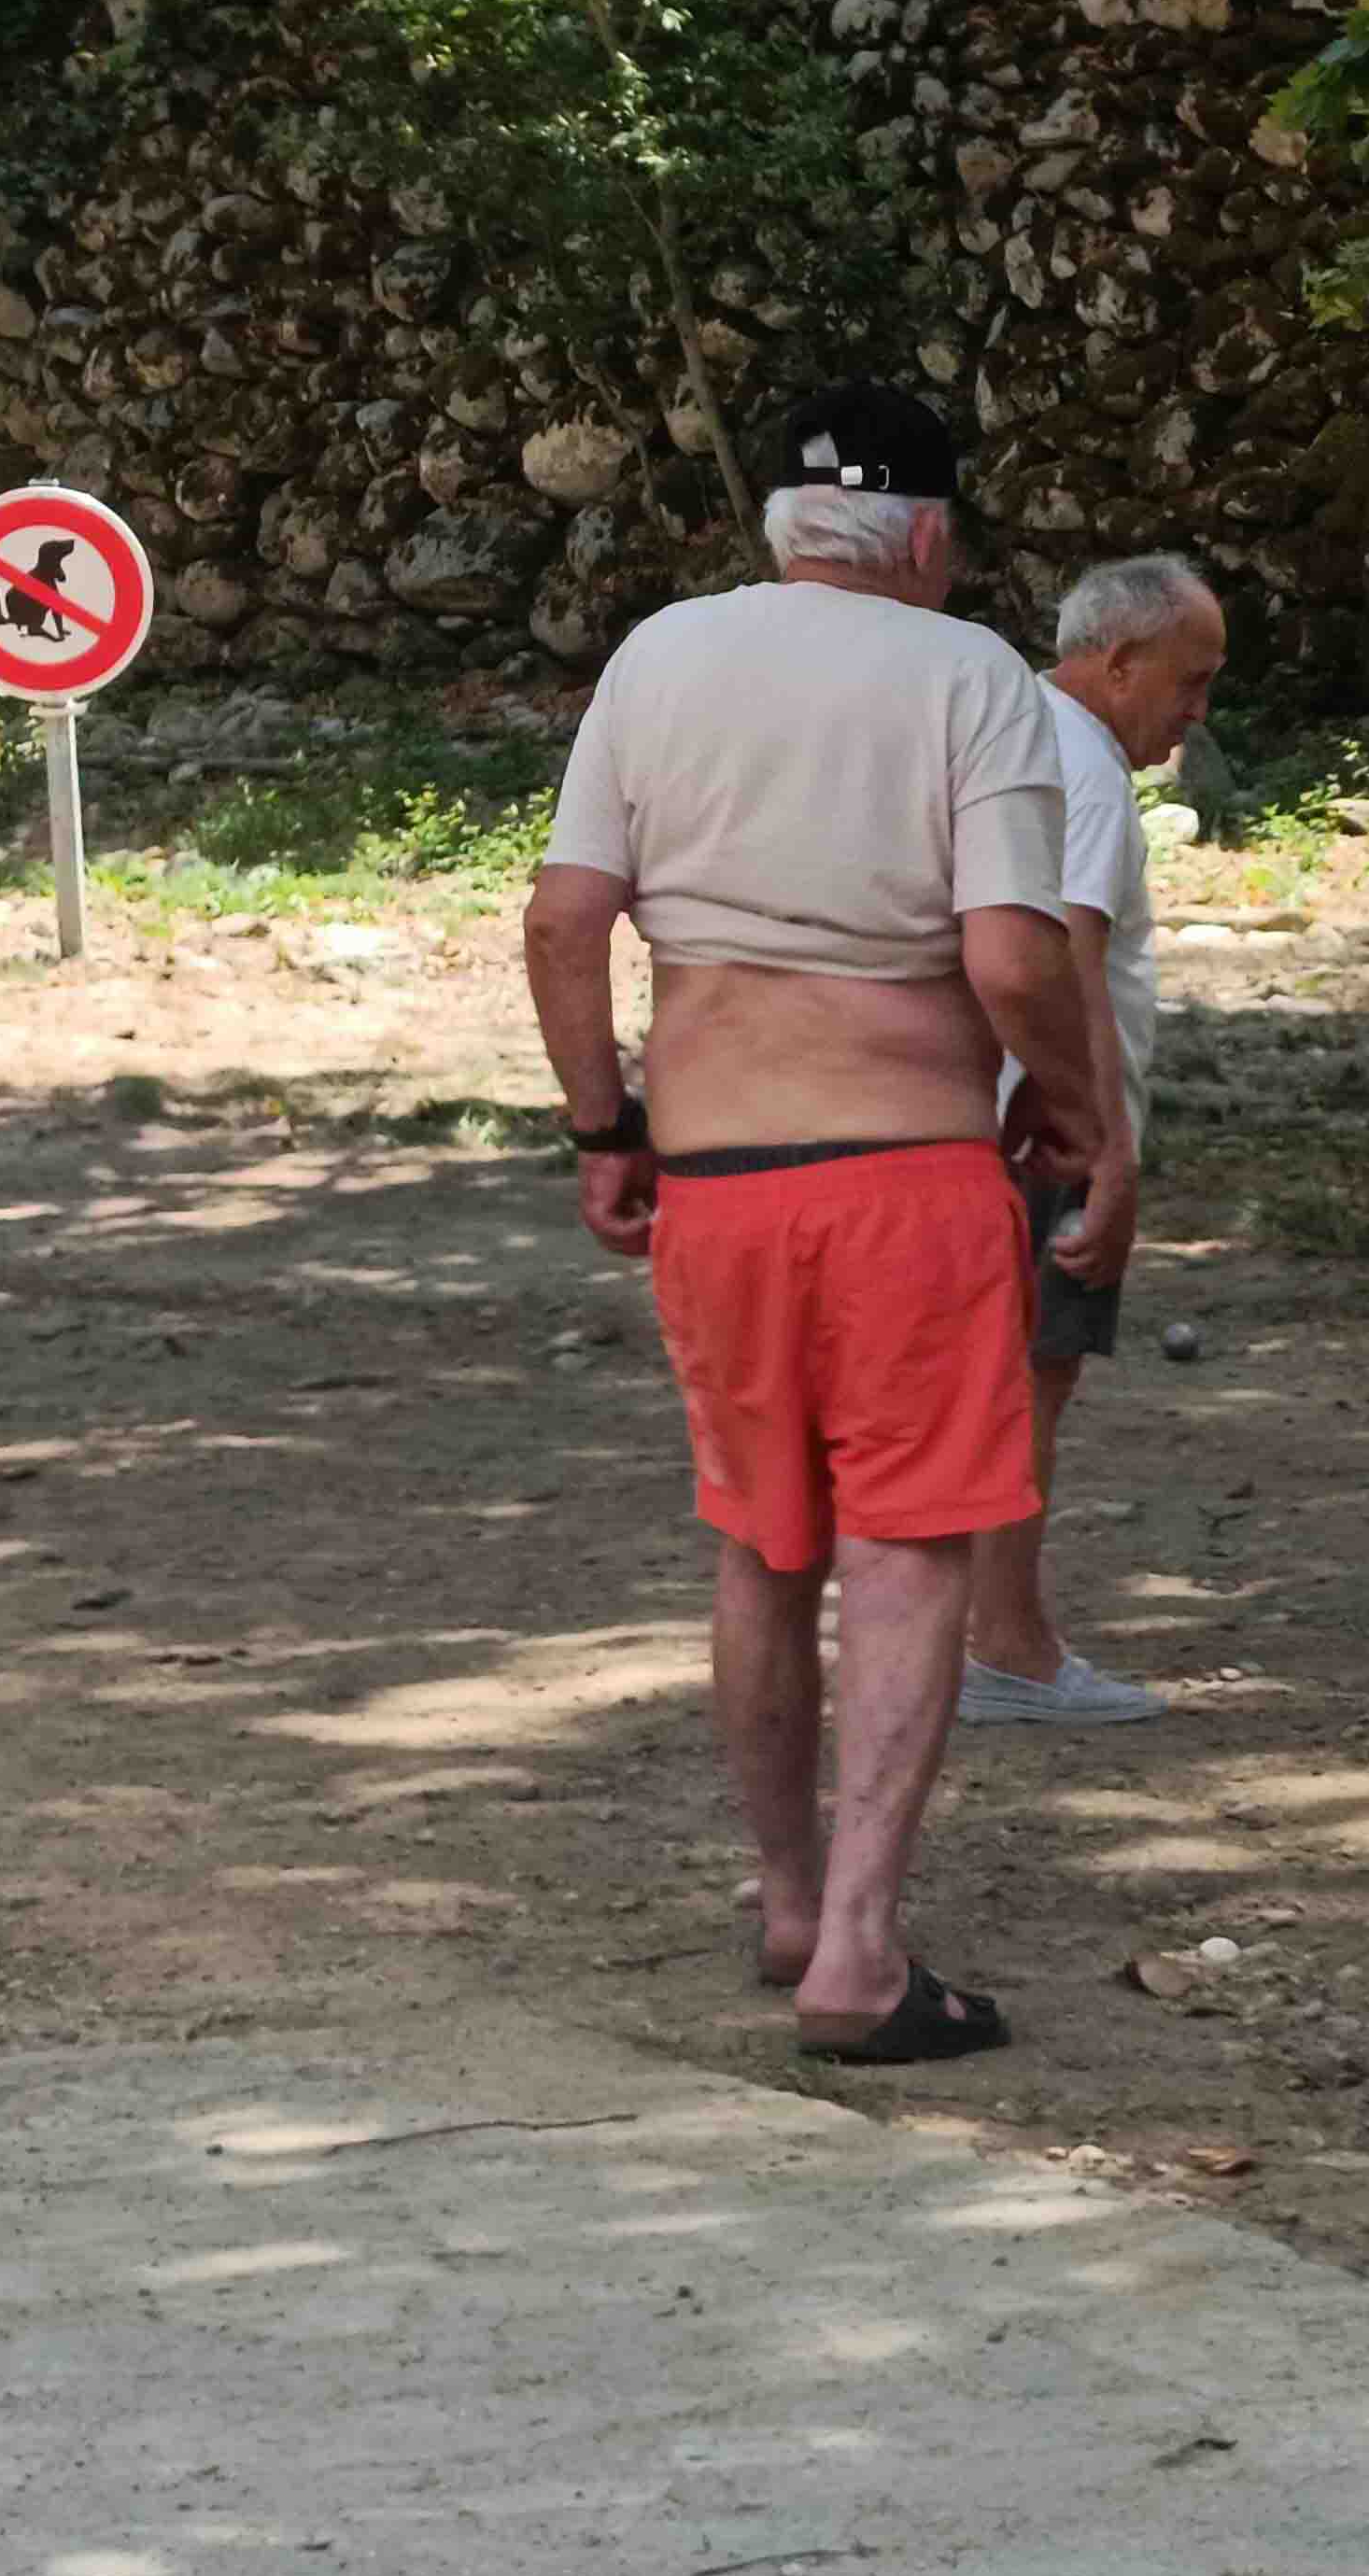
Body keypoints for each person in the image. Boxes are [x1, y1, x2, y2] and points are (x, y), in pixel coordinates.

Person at [524, 379, 1128, 2064]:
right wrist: (1080, 1114)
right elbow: (1011, 958)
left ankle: (785, 1898)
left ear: (786, 529)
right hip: (905, 1177)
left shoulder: (659, 657)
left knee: (760, 1546)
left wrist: (601, 1127)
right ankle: (862, 1948)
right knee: (908, 1546)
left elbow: (568, 919)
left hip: (718, 1182)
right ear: (928, 536)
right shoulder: (971, 679)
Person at [961, 552, 1229, 1729]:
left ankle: (973, 1641)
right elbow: (1065, 950)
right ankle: (1007, 1650)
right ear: (1118, 662)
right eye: (1190, 679)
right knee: (1033, 1378)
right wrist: (1106, 1148)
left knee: (989, 1380)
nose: (1198, 710)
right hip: (1038, 1129)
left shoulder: (1004, 724)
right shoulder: (1079, 761)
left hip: (976, 1113)